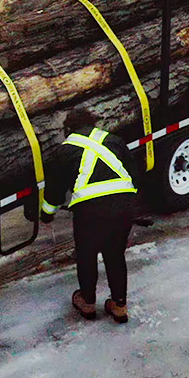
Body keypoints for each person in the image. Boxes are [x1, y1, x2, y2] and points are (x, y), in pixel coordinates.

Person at [40, 108, 142, 324]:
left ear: (68, 129)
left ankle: (87, 302)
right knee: (115, 255)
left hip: (90, 211)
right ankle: (119, 305)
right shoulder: (114, 140)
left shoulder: (64, 151)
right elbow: (135, 173)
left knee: (86, 254)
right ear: (93, 124)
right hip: (123, 206)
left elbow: (54, 192)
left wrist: (47, 214)